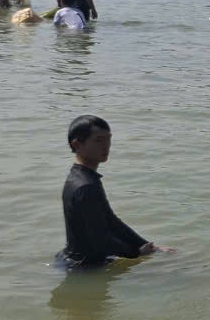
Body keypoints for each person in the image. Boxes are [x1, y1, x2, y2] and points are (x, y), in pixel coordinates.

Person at [56, 115, 169, 268]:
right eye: (98, 140)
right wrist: (136, 253)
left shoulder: (80, 177)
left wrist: (148, 246)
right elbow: (101, 240)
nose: (106, 146)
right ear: (77, 144)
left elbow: (111, 221)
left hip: (74, 261)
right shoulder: (86, 186)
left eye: (108, 139)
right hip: (85, 268)